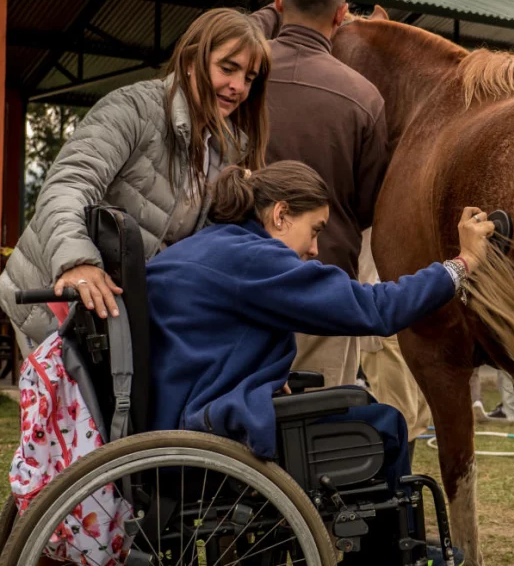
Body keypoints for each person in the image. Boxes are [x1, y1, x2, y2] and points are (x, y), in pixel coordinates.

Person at [146, 161, 495, 459]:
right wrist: (462, 263)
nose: (314, 249)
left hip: (171, 418)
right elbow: (376, 309)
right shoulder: (255, 260)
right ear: (281, 214)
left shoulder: (209, 246)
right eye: (314, 231)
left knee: (356, 403)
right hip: (202, 430)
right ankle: (387, 540)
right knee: (384, 425)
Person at [0, 8, 271, 357]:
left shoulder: (228, 149)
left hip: (117, 316)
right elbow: (66, 187)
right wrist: (77, 263)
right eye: (228, 68)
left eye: (249, 78)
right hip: (52, 302)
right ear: (191, 60)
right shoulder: (131, 109)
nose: (238, 87)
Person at [251, 0, 389, 388]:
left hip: (238, 286)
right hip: (323, 290)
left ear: (277, 0)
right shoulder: (365, 98)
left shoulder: (240, 77)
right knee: (317, 436)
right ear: (342, 13)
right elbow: (368, 206)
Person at [358, 229, 432, 463]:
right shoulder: (364, 214)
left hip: (413, 317)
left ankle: (401, 482)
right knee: (398, 414)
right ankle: (396, 486)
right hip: (384, 321)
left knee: (418, 416)